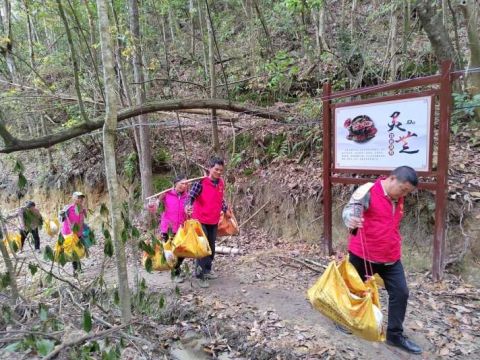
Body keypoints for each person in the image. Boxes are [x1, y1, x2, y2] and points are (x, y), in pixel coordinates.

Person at [342, 166, 422, 354]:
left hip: (390, 256)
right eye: (403, 190)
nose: (404, 195)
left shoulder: (398, 198)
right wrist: (351, 220)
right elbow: (349, 211)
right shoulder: (367, 191)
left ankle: (394, 335)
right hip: (363, 253)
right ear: (392, 179)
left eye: (408, 193)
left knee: (401, 293)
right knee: (353, 290)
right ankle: (344, 320)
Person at [185, 157, 228, 288]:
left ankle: (208, 270)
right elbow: (190, 197)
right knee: (202, 248)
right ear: (210, 168)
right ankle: (200, 275)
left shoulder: (221, 183)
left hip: (213, 219)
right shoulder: (201, 183)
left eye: (221, 170)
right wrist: (188, 206)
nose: (219, 172)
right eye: (216, 169)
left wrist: (226, 210)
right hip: (200, 220)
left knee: (211, 247)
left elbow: (221, 200)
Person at [157, 175, 189, 283]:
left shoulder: (188, 197)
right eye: (181, 183)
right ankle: (175, 273)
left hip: (181, 228)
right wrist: (158, 200)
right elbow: (154, 207)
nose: (184, 186)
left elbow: (190, 211)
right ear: (175, 184)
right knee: (170, 252)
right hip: (168, 228)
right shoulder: (167, 194)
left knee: (182, 252)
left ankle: (176, 268)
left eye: (186, 183)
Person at [60, 191, 87, 273]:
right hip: (69, 233)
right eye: (78, 197)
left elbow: (82, 219)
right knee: (73, 250)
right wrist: (62, 214)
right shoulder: (68, 208)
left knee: (78, 249)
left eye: (81, 198)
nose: (80, 199)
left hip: (78, 232)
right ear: (73, 198)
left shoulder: (82, 208)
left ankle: (78, 268)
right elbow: (61, 218)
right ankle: (76, 268)